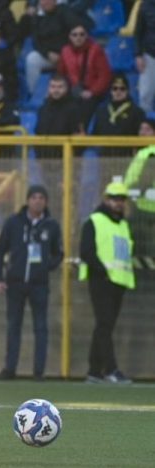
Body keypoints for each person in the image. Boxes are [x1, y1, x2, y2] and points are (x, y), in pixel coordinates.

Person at [0, 185, 63, 380]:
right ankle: (10, 369)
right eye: (34, 197)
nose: (37, 201)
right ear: (27, 200)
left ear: (46, 202)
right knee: (14, 325)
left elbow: (59, 253)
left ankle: (39, 372)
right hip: (15, 283)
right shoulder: (14, 222)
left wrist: (46, 266)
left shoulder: (51, 225)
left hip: (39, 284)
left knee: (41, 327)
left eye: (41, 197)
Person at [79, 181, 135, 385]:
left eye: (121, 199)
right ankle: (110, 369)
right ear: (106, 199)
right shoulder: (94, 221)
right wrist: (101, 270)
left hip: (118, 282)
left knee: (104, 326)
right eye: (115, 199)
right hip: (101, 280)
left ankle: (94, 371)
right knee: (104, 325)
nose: (118, 203)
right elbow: (86, 251)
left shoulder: (122, 224)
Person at [57, 23, 112, 129]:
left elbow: (104, 76)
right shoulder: (65, 51)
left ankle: (80, 138)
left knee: (82, 113)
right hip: (74, 90)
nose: (78, 37)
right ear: (69, 36)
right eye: (75, 35)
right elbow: (61, 74)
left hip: (92, 92)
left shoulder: (96, 50)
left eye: (82, 34)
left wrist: (92, 92)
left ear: (87, 36)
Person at [123, 119, 155, 256]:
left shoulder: (151, 153)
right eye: (141, 129)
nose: (143, 133)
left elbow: (144, 181)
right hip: (140, 206)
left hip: (145, 209)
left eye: (147, 129)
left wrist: (127, 196)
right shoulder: (142, 152)